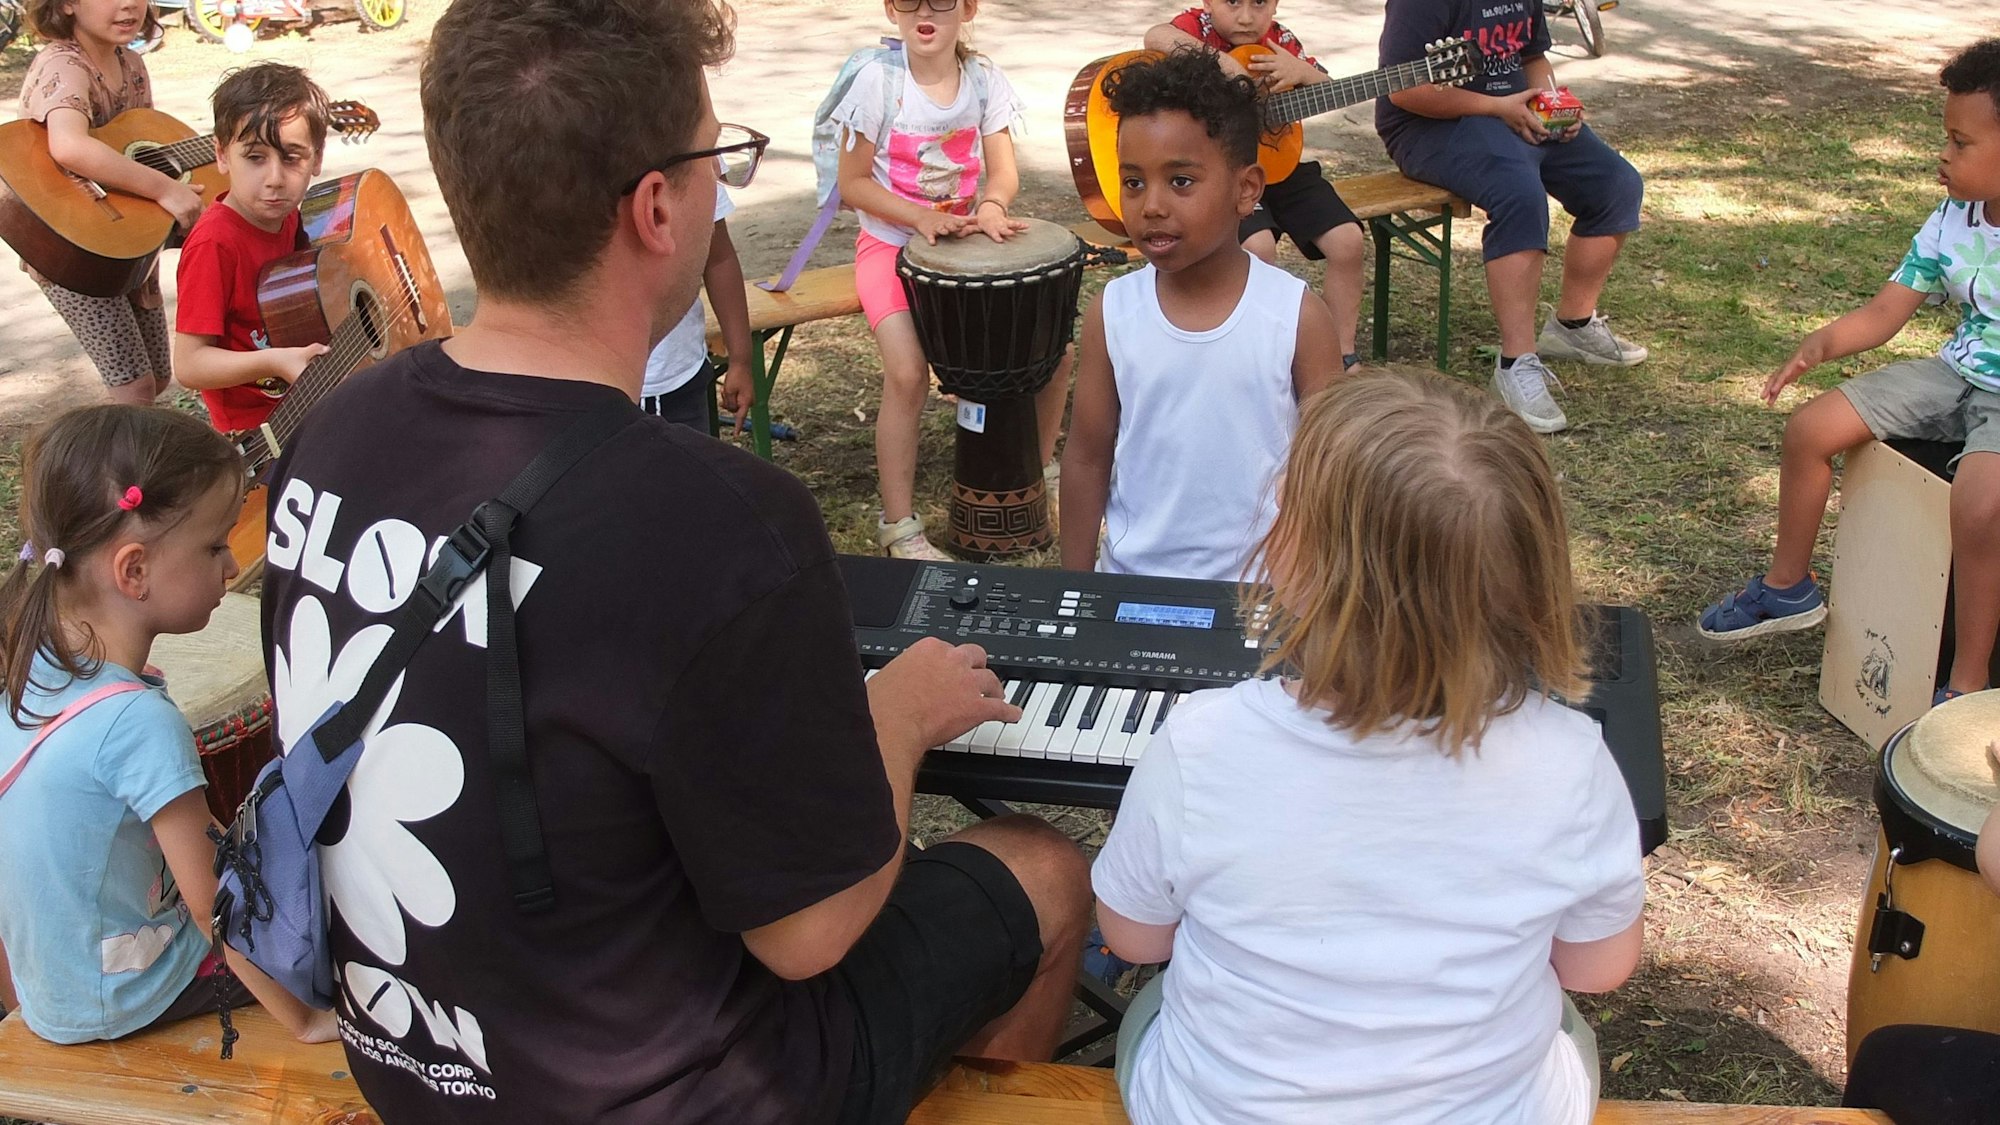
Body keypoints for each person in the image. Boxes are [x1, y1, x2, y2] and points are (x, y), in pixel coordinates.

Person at [256, 2, 1090, 1121]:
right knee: (1040, 867)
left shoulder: (332, 432)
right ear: (657, 207)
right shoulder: (721, 518)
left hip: (418, 1065)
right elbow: (809, 933)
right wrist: (894, 714)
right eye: (715, 157)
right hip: (677, 1096)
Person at [1093, 367, 1646, 1124]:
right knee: (1567, 1034)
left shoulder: (1201, 741)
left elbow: (1132, 937)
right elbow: (1599, 966)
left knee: (1151, 1009)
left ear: (1293, 562)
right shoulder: (1573, 761)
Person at [0, 405, 333, 1047]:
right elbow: (214, 905)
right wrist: (304, 1018)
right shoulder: (136, 724)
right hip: (132, 995)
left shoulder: (33, 667)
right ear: (134, 570)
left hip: (57, 989)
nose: (233, 569)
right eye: (214, 547)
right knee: (340, 924)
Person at [1698, 39, 2000, 704]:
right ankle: (1787, 587)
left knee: (1979, 505)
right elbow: (1887, 311)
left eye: (1960, 142)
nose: (1943, 156)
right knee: (1811, 429)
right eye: (1945, 137)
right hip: (1956, 373)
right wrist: (1819, 345)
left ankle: (1969, 681)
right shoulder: (1953, 217)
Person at [1059, 47, 1338, 582]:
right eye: (1134, 181)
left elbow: (1328, 473)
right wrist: (1075, 591)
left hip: (1262, 601)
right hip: (1131, 589)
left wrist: (1311, 594)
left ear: (1246, 190)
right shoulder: (1113, 313)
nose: (1152, 205)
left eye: (1180, 181)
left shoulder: (1296, 316)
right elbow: (1088, 459)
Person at [831, 0, 1066, 560]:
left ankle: (1035, 473)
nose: (924, 12)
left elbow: (1004, 169)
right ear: (891, 10)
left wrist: (990, 205)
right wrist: (918, 217)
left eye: (941, 0)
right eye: (908, 0)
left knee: (1056, 354)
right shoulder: (876, 83)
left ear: (968, 8)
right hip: (889, 249)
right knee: (908, 375)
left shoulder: (983, 81)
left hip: (963, 246)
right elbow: (852, 185)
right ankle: (900, 528)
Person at [1376, 0, 1646, 434]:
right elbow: (1405, 90)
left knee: (1616, 184)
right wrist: (1498, 108)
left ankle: (1572, 325)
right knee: (1519, 194)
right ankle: (1516, 363)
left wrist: (1552, 106)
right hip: (1431, 127)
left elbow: (1532, 56)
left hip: (1515, 110)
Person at [1143, 0, 1368, 371]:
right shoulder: (1197, 29)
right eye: (1232, 3)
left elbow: (1328, 87)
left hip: (1283, 168)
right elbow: (1156, 36)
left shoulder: (1280, 42)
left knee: (1348, 240)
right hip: (1222, 174)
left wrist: (1301, 71)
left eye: (1259, 3)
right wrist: (1224, 63)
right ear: (1208, 3)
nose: (1246, 17)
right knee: (1258, 247)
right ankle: (1254, 356)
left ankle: (1339, 354)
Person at [15, 0, 204, 405]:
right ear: (66, 4)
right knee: (132, 386)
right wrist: (165, 189)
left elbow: (143, 141)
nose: (129, 5)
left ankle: (132, 460)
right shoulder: (64, 64)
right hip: (71, 245)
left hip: (126, 236)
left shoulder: (131, 64)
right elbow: (68, 146)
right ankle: (117, 469)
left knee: (156, 376)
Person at [172, 63, 333, 435]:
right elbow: (190, 365)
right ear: (222, 155)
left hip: (304, 404)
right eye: (255, 157)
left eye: (292, 157)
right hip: (255, 433)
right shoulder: (215, 243)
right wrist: (275, 361)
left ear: (317, 159)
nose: (275, 180)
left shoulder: (289, 217)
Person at [640, 182, 756, 431]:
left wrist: (741, 360)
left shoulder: (695, 158)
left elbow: (719, 258)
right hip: (590, 379)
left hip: (674, 375)